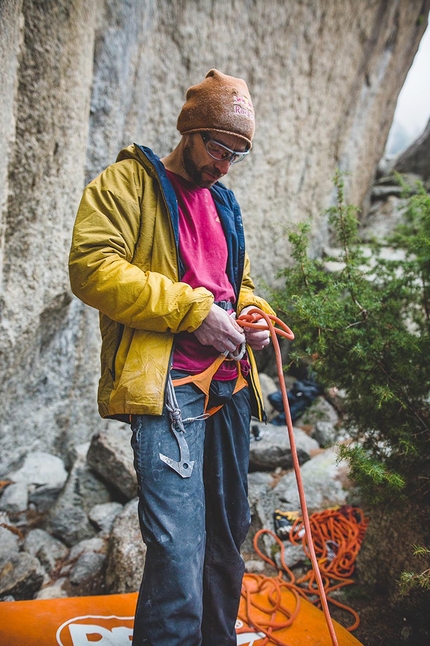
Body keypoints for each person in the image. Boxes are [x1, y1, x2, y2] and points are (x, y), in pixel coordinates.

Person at [69, 68, 275, 646]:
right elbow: (92, 268)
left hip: (230, 388)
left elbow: (241, 284)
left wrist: (251, 315)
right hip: (170, 390)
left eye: (237, 154)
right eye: (219, 148)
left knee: (228, 535)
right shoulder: (126, 185)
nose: (225, 165)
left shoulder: (225, 203)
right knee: (178, 546)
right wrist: (193, 311)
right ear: (190, 130)